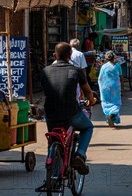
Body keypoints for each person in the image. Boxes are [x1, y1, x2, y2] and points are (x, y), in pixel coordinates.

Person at [41, 42, 96, 175]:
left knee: (53, 139)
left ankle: (52, 172)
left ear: (54, 55)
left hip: (51, 113)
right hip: (71, 112)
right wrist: (92, 100)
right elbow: (88, 91)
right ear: (70, 55)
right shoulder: (76, 70)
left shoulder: (45, 71)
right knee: (88, 127)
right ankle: (79, 155)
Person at [98, 50, 124, 128]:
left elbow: (100, 78)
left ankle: (109, 116)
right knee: (116, 102)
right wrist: (122, 87)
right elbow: (121, 77)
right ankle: (113, 114)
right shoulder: (117, 65)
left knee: (106, 102)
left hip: (105, 88)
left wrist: (101, 87)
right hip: (115, 88)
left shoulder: (104, 66)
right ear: (114, 57)